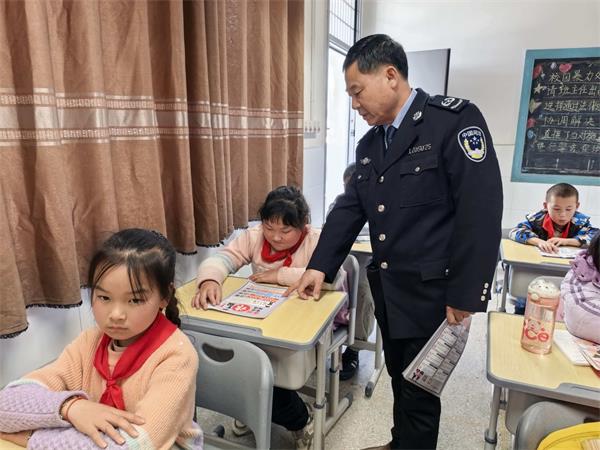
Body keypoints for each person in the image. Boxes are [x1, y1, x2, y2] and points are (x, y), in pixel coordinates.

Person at [286, 34, 503, 450]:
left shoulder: (453, 122)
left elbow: (481, 211)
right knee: (402, 380)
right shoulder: (371, 144)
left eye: (357, 91)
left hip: (434, 292)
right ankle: (399, 442)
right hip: (391, 286)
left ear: (390, 76)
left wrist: (466, 293)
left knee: (421, 391)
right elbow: (350, 207)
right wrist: (319, 265)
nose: (354, 104)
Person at [0, 228, 202, 449]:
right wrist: (70, 408)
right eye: (104, 297)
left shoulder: (176, 355)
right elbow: (6, 403)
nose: (116, 314)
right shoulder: (90, 342)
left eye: (135, 300)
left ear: (165, 296)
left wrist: (30, 438)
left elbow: (129, 445)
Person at [192, 185, 345, 450]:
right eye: (269, 227)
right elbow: (223, 259)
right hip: (261, 320)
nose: (275, 237)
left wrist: (279, 275)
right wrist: (210, 280)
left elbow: (331, 276)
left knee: (271, 375)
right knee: (238, 364)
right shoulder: (253, 237)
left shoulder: (316, 240)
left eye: (285, 231)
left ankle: (300, 419)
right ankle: (251, 408)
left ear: (303, 225)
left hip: (302, 327)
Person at [328, 162, 376, 380]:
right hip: (342, 259)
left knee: (363, 290)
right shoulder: (339, 203)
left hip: (367, 261)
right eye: (349, 186)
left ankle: (354, 348)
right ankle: (325, 340)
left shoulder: (380, 205)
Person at [509, 183, 597, 254]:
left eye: (568, 209)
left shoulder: (581, 222)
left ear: (577, 206)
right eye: (556, 209)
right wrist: (539, 242)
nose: (562, 214)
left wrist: (567, 241)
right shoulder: (536, 220)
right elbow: (515, 231)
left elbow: (595, 236)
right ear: (546, 206)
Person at [559, 232, 600, 343]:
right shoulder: (582, 275)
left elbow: (590, 232)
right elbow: (586, 319)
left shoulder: (581, 223)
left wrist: (569, 241)